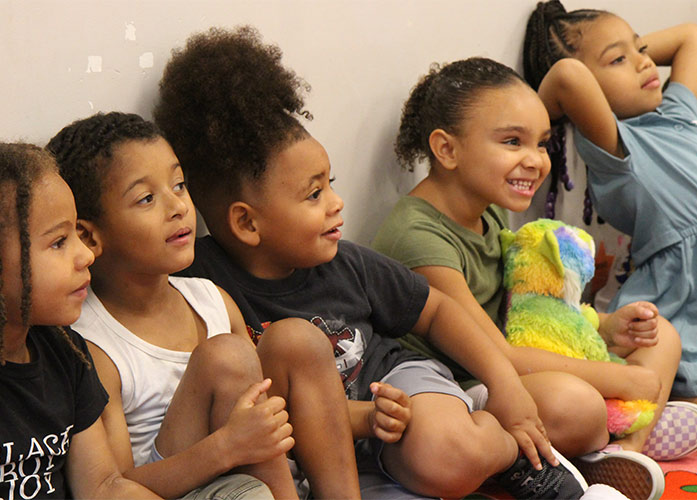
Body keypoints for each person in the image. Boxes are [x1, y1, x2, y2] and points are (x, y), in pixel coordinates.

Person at [150, 25, 605, 500]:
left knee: (445, 454)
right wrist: (363, 420)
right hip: (324, 449)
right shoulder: (200, 285)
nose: (336, 203)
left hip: (396, 395)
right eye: (314, 194)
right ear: (247, 224)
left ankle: (502, 448)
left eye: (331, 184)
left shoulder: (345, 262)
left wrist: (503, 382)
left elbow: (437, 310)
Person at [370, 56, 679, 500]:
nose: (535, 160)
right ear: (447, 149)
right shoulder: (418, 237)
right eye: (513, 141)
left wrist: (605, 327)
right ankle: (597, 436)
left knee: (661, 336)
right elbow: (496, 356)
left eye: (542, 143)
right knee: (576, 404)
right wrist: (622, 381)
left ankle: (625, 450)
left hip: (516, 360)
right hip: (468, 385)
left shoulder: (488, 205)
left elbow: (528, 307)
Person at [46, 111, 361, 500]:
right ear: (89, 236)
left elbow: (264, 415)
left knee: (298, 338)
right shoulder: (91, 343)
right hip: (175, 487)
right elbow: (116, 484)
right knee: (226, 357)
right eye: (146, 198)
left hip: (246, 472)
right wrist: (226, 447)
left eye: (179, 185)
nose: (178, 206)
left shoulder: (211, 300)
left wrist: (373, 417)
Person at [522, 0, 697, 457]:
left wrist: (623, 50)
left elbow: (692, 35)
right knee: (663, 360)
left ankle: (656, 429)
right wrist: (530, 122)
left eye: (642, 49)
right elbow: (566, 76)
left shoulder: (678, 114)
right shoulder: (614, 145)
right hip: (679, 286)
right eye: (619, 60)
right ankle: (631, 448)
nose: (644, 62)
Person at [0, 142, 162, 499]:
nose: (86, 255)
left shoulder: (66, 350)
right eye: (59, 242)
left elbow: (103, 487)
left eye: (76, 233)